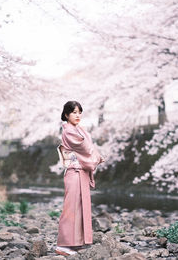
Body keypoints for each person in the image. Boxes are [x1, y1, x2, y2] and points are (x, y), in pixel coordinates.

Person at [55, 101, 104, 256]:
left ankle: (76, 243)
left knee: (81, 207)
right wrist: (97, 156)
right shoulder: (68, 131)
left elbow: (88, 146)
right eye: (74, 112)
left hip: (80, 171)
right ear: (66, 115)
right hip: (74, 172)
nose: (77, 115)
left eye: (79, 112)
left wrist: (95, 154)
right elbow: (85, 148)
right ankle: (63, 244)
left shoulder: (78, 129)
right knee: (71, 208)